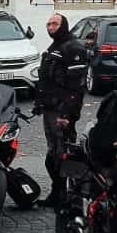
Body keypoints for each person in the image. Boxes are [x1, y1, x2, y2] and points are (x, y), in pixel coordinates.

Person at [33, 12, 86, 208]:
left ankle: (70, 196)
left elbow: (77, 87)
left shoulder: (74, 48)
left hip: (62, 112)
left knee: (64, 156)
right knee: (53, 156)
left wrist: (68, 115)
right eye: (48, 24)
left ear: (63, 25)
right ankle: (58, 194)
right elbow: (46, 80)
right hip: (50, 109)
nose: (51, 28)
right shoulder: (54, 47)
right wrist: (39, 102)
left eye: (54, 24)